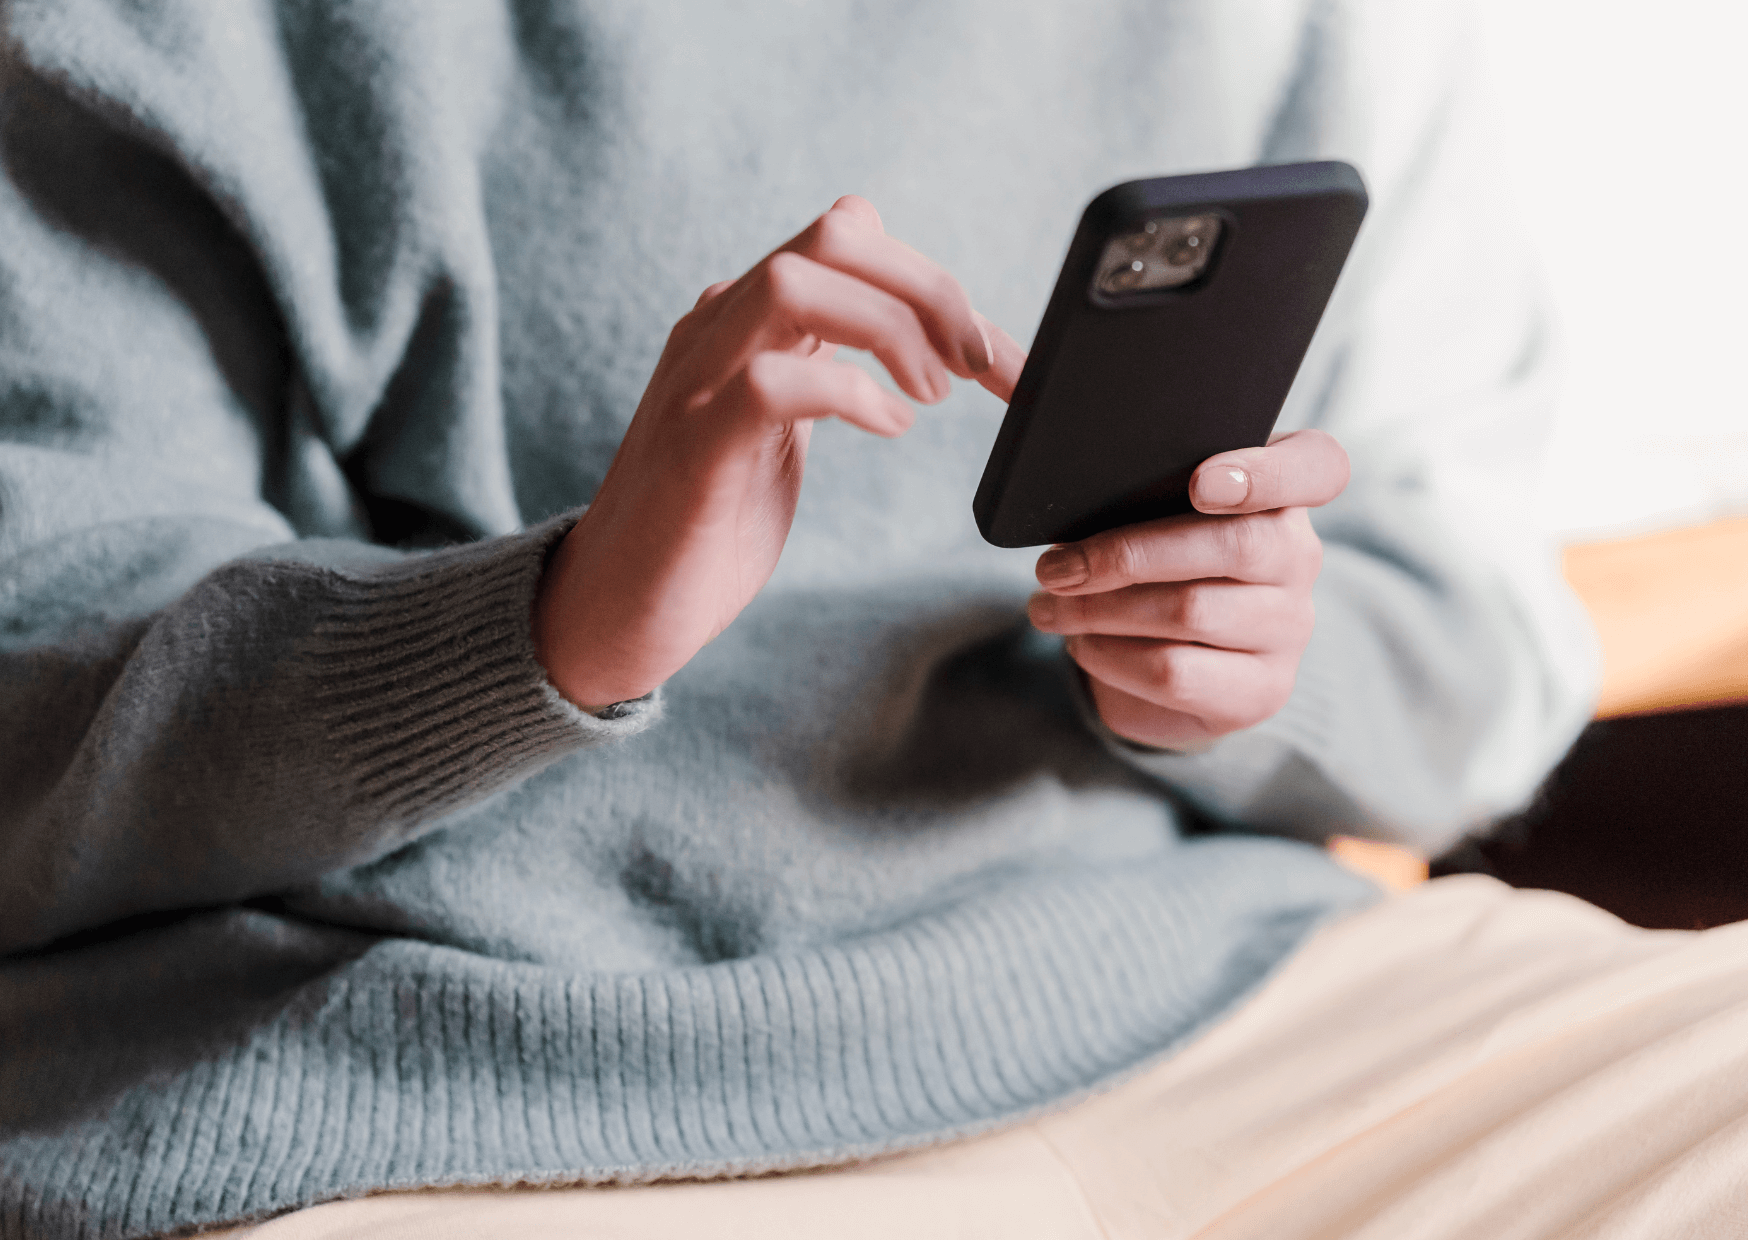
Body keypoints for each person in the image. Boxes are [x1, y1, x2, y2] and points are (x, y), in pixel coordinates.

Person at [6, 2, 1747, 1238]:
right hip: (436, 1095)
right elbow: (30, 701)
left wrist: (1249, 671)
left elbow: (1485, 661)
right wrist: (547, 628)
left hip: (1226, 1008)